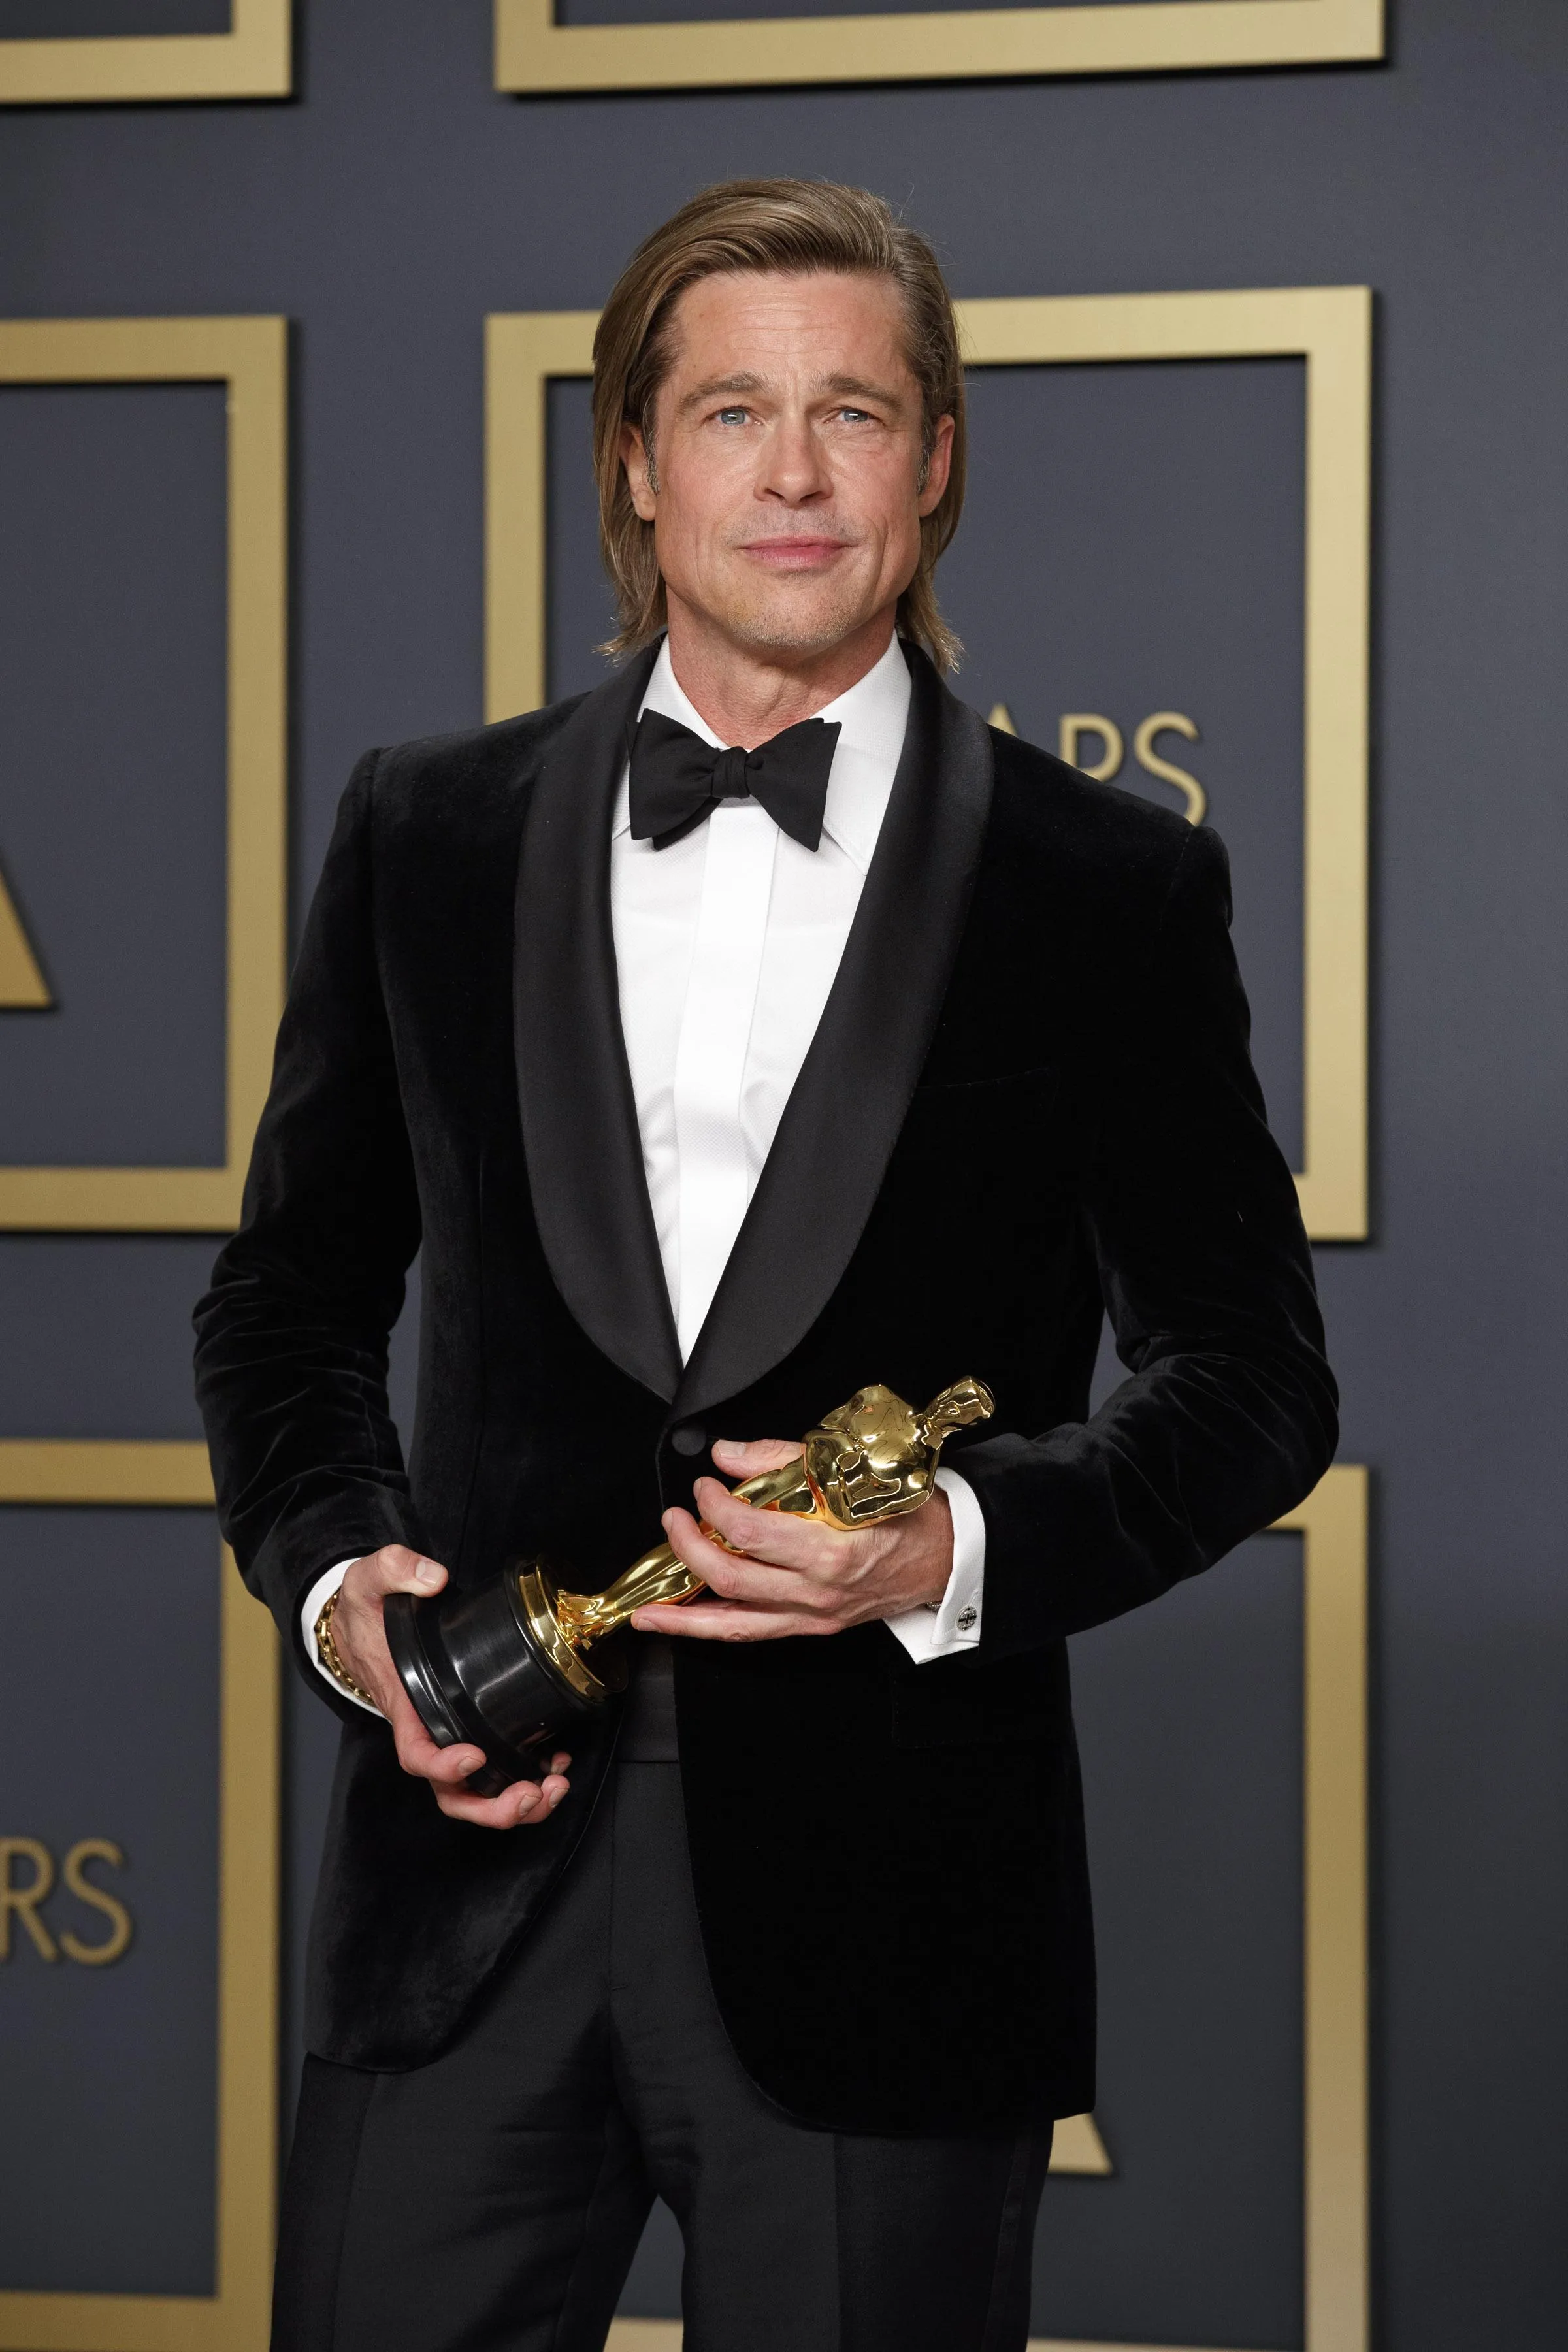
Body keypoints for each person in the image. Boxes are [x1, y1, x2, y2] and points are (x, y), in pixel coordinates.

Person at [195, 178, 1336, 2352]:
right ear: (636, 460)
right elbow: (286, 1301)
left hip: (898, 1917)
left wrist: (949, 1552)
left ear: (936, 463)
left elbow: (1252, 1382)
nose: (794, 473)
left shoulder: (1112, 889)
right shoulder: (423, 831)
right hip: (468, 1883)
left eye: (854, 413)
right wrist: (349, 1603)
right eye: (732, 411)